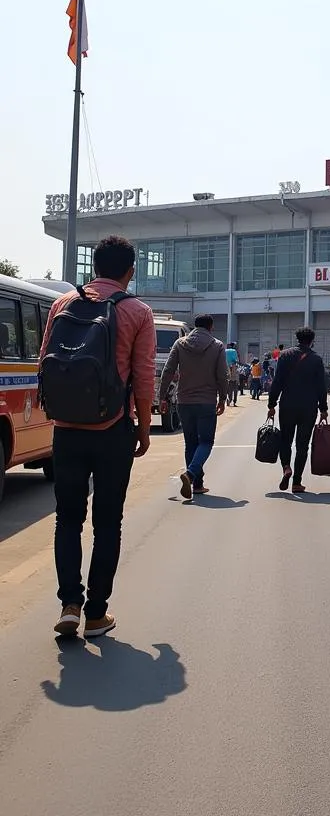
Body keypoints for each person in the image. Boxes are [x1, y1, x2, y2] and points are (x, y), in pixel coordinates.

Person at [41, 235, 156, 639]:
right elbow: (143, 379)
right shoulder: (138, 312)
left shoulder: (61, 305)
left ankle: (69, 603)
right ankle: (96, 613)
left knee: (67, 519)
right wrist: (143, 429)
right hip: (112, 432)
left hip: (66, 431)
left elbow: (45, 364)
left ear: (94, 267)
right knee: (108, 522)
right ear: (130, 271)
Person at [160, 315, 228, 500]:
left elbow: (168, 370)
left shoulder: (180, 344)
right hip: (206, 401)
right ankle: (190, 475)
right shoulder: (217, 346)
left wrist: (162, 396)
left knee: (191, 443)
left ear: (194, 327)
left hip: (184, 401)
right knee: (206, 442)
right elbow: (222, 375)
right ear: (211, 327)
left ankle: (197, 484)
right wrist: (223, 398)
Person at [267, 327, 329, 493]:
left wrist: (271, 404)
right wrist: (323, 408)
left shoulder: (285, 355)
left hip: (287, 405)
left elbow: (277, 382)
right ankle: (297, 482)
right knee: (303, 445)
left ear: (297, 339)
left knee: (285, 440)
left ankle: (286, 467)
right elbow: (321, 387)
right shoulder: (316, 359)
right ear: (312, 341)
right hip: (308, 407)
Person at [225, 341, 240, 406]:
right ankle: (234, 401)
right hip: (233, 368)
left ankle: (228, 399)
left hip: (225, 369)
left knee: (228, 387)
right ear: (233, 346)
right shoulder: (234, 351)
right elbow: (237, 360)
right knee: (235, 387)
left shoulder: (224, 351)